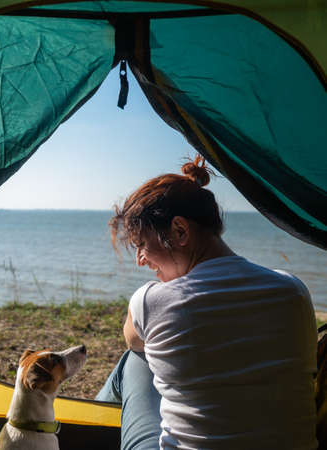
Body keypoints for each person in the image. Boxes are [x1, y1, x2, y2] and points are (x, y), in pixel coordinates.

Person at [96, 155, 318, 449]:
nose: (141, 261)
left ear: (180, 231)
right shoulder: (293, 291)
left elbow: (133, 341)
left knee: (135, 361)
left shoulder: (153, 301)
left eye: (141, 245)